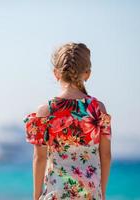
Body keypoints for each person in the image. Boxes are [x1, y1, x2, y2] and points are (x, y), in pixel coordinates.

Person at [23, 42, 112, 200]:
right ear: (87, 74)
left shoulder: (45, 112)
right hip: (90, 194)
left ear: (56, 73)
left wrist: (36, 197)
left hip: (56, 193)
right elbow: (105, 156)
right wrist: (102, 193)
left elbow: (40, 158)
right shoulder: (98, 109)